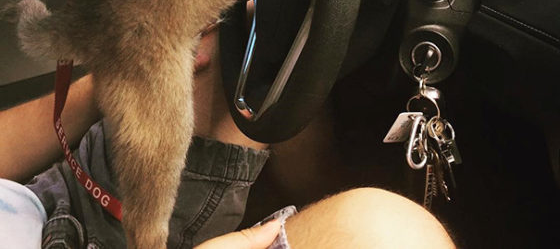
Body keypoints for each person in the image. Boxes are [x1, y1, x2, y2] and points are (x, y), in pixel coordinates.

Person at [0, 28, 456, 248]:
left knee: (223, 46)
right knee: (389, 234)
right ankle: (321, 189)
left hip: (45, 199)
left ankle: (321, 190)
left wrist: (109, 83)